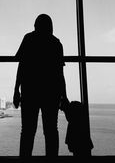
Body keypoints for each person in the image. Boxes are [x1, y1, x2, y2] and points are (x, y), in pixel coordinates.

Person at [13, 14, 68, 157]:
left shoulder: (29, 39)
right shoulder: (56, 43)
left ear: (35, 26)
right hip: (51, 92)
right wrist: (64, 96)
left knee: (27, 131)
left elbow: (21, 66)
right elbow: (59, 74)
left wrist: (16, 90)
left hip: (30, 90)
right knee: (51, 131)